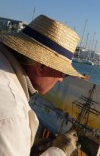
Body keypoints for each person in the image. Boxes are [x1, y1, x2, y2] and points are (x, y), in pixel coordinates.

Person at [0, 15, 84, 156]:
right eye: (63, 73)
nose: (60, 80)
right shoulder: (13, 116)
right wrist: (59, 151)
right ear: (42, 66)